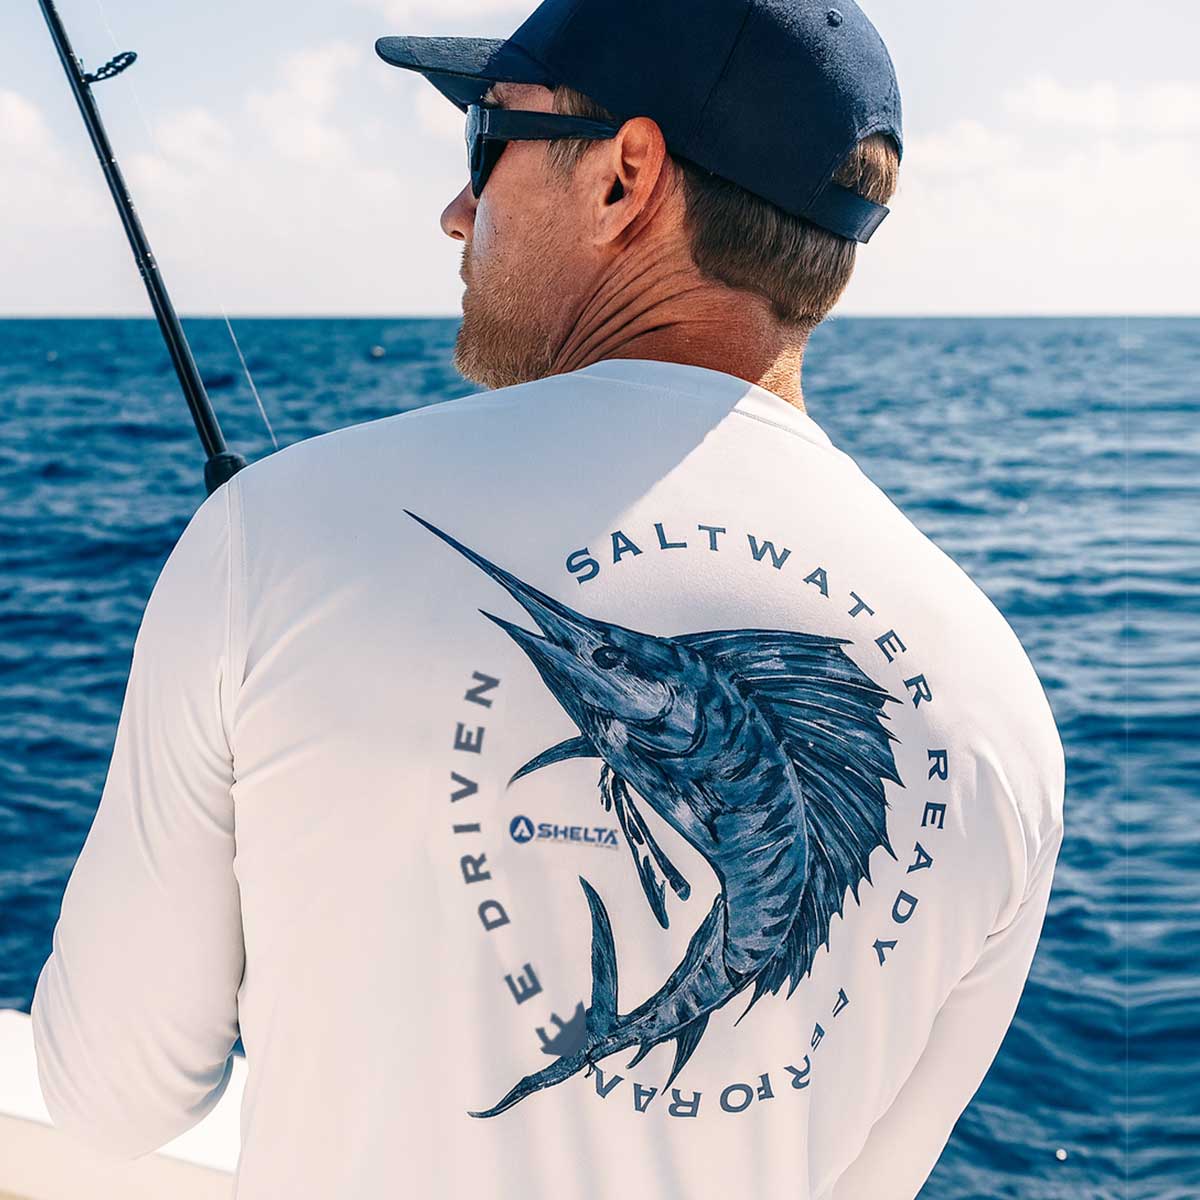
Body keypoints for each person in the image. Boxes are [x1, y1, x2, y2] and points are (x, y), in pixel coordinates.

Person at [30, 0, 1065, 1196]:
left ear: (629, 175)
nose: (457, 210)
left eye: (488, 139)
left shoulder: (272, 537)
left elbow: (107, 1101)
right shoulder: (999, 706)